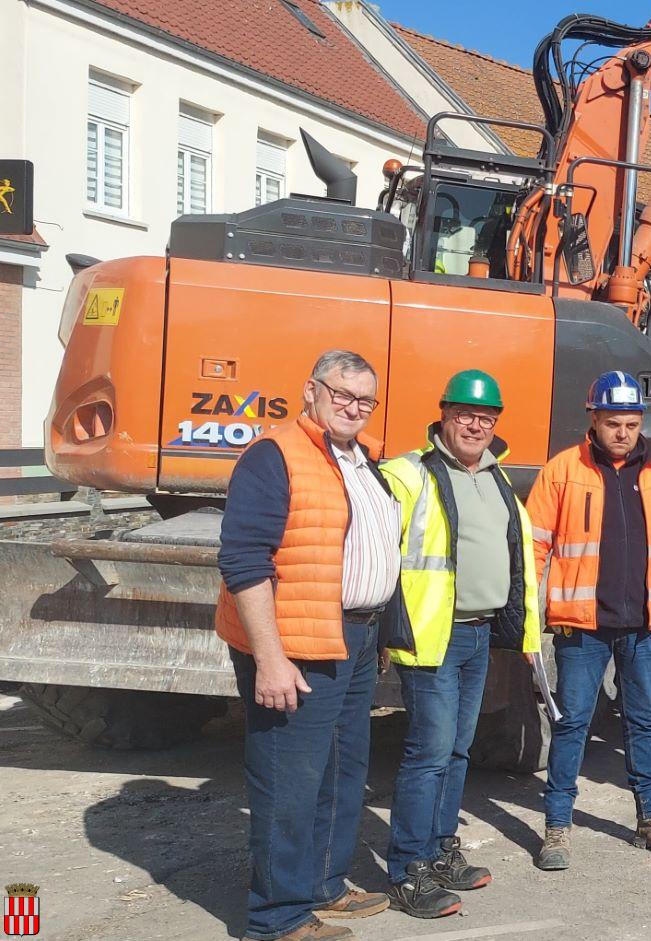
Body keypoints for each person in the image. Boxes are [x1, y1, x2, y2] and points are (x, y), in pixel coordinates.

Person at [216, 350, 405, 941]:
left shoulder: (360, 458)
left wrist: (378, 631)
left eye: (365, 400)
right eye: (341, 394)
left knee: (342, 770)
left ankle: (322, 884)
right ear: (311, 391)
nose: (353, 408)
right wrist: (269, 657)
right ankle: (277, 917)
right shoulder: (274, 455)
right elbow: (244, 560)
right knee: (289, 779)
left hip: (353, 634)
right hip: (296, 641)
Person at [525, 371, 651, 870]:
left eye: (630, 423)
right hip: (581, 629)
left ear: (640, 422)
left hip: (644, 627)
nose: (622, 432)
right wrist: (523, 618)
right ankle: (557, 826)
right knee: (572, 725)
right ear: (594, 421)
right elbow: (532, 548)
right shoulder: (562, 471)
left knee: (644, 722)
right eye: (612, 423)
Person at [377, 370, 541, 918]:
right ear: (443, 415)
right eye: (466, 414)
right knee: (428, 753)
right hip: (431, 637)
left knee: (456, 750)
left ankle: (441, 850)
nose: (476, 424)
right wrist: (383, 628)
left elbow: (518, 559)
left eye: (486, 417)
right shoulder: (408, 474)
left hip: (478, 634)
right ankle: (408, 870)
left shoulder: (496, 479)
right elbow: (377, 554)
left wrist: (526, 632)